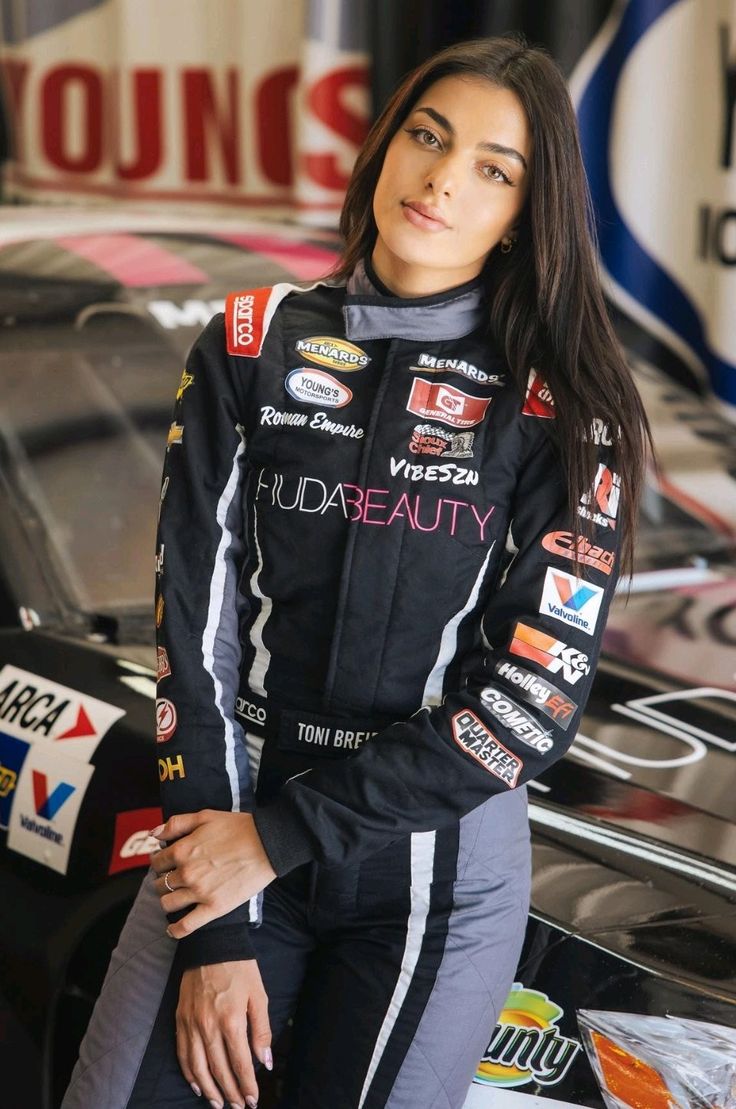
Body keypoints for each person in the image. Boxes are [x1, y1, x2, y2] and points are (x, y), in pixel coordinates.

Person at [63, 34, 651, 1109]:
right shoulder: (249, 341)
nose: (439, 179)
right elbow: (190, 637)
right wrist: (224, 915)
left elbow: (527, 703)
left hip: (434, 881)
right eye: (427, 136)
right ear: (383, 145)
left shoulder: (566, 409)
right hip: (224, 828)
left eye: (491, 167)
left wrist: (275, 841)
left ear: (526, 210)